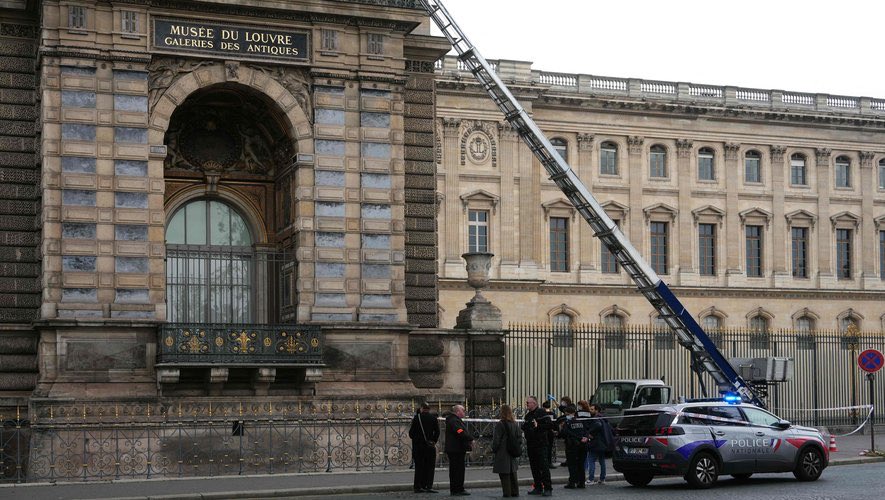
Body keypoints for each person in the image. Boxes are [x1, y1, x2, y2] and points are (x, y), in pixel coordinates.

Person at [522, 395, 553, 497]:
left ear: (534, 403)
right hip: (531, 444)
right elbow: (526, 426)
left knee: (543, 467)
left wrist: (538, 426)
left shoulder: (541, 412)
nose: (526, 404)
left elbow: (549, 425)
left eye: (528, 402)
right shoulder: (528, 415)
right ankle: (538, 487)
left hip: (540, 444)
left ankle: (548, 488)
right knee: (534, 467)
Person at [409, 402, 440, 493]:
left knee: (419, 467)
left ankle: (418, 486)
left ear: (422, 408)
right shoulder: (433, 418)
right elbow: (437, 432)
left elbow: (411, 433)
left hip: (419, 447)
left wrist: (417, 440)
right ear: (429, 409)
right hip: (429, 446)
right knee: (430, 467)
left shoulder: (416, 418)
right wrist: (433, 441)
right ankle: (428, 486)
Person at [491, 404, 521, 497]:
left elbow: (496, 440)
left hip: (503, 452)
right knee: (513, 473)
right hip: (512, 452)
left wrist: (494, 449)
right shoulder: (515, 424)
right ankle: (515, 492)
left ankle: (507, 493)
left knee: (504, 474)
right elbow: (519, 438)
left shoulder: (500, 424)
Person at [445, 404, 474, 496]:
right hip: (455, 449)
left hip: (457, 449)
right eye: (463, 410)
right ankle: (457, 489)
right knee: (457, 470)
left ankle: (458, 488)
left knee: (458, 469)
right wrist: (469, 438)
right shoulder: (454, 420)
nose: (464, 412)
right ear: (457, 412)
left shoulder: (455, 420)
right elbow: (459, 431)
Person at [560, 405, 589, 489]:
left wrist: (561, 428)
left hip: (572, 446)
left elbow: (564, 433)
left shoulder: (567, 423)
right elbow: (586, 431)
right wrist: (584, 438)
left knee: (572, 465)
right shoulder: (580, 421)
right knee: (581, 464)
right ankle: (581, 482)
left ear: (568, 413)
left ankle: (572, 482)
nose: (566, 416)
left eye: (566, 414)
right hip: (582, 445)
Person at [585, 404, 608, 485]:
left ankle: (591, 479)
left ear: (596, 410)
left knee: (591, 460)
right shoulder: (603, 418)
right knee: (602, 461)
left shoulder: (596, 418)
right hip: (602, 442)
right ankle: (602, 478)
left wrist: (590, 433)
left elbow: (598, 425)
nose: (590, 411)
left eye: (592, 409)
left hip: (595, 443)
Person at [540, 400, 557, 469]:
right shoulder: (552, 414)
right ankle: (549, 463)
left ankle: (543, 463)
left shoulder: (541, 414)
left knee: (543, 448)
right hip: (550, 433)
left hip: (543, 433)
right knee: (549, 448)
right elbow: (555, 424)